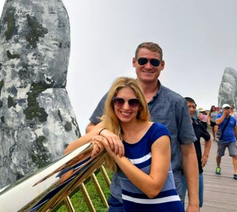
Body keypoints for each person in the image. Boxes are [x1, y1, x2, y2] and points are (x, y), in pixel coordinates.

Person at [86, 42, 199, 212]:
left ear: (162, 65)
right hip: (122, 197)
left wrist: (194, 203)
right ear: (134, 62)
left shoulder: (176, 102)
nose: (148, 66)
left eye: (154, 62)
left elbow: (188, 152)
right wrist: (104, 132)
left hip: (164, 199)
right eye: (142, 60)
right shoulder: (117, 95)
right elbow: (91, 127)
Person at [66, 77, 185, 211]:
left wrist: (116, 155)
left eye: (133, 102)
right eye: (119, 101)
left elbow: (153, 189)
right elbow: (69, 154)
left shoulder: (158, 133)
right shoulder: (110, 129)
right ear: (111, 103)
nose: (126, 107)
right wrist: (100, 131)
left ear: (140, 105)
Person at [184, 97, 211, 208]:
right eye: (188, 106)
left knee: (197, 202)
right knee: (177, 201)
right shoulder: (175, 124)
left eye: (193, 106)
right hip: (179, 169)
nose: (191, 109)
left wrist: (205, 155)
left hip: (196, 169)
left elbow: (208, 139)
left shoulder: (197, 124)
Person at [215, 103, 237, 180]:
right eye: (225, 109)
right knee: (219, 155)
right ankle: (218, 167)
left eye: (228, 108)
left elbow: (235, 129)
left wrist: (236, 138)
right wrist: (224, 115)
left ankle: (235, 172)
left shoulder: (233, 119)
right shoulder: (219, 116)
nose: (227, 110)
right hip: (222, 140)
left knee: (234, 155)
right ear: (223, 109)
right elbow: (217, 122)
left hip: (231, 140)